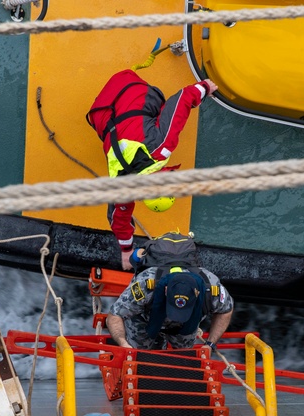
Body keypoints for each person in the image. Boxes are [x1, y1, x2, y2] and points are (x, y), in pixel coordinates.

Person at [86, 68, 218, 270]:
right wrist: (126, 252)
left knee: (158, 100)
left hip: (125, 83)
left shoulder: (160, 146)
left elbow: (181, 100)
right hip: (99, 111)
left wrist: (204, 87)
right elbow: (118, 217)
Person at [105, 265, 233, 351]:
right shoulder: (145, 285)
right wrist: (123, 343)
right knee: (140, 355)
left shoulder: (212, 289)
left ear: (197, 294)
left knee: (184, 358)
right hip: (145, 319)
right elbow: (115, 315)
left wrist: (210, 344)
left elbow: (226, 310)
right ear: (166, 290)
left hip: (187, 324)